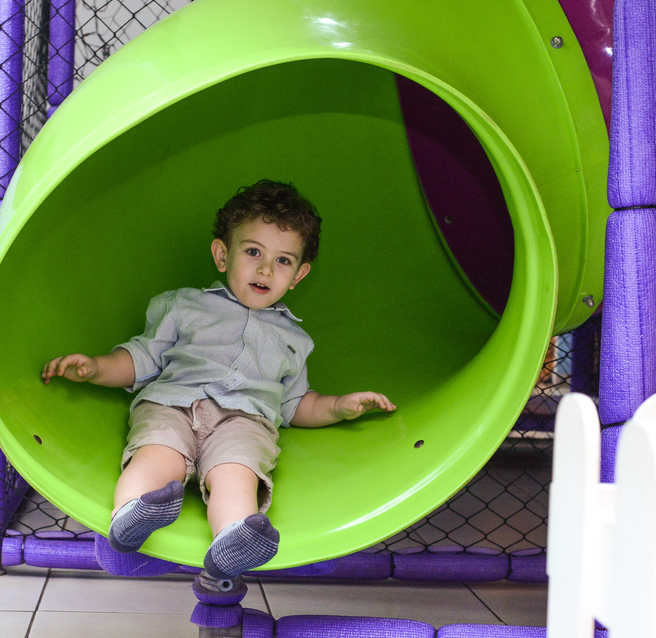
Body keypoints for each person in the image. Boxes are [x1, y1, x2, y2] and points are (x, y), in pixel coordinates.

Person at [42, 181, 396, 579]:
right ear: (222, 255)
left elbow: (296, 404)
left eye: (283, 261)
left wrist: (338, 407)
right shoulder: (185, 305)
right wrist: (96, 367)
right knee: (158, 454)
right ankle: (132, 514)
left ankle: (232, 538)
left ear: (299, 275)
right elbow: (142, 357)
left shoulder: (295, 340)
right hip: (174, 403)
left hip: (243, 423)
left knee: (236, 472)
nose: (265, 269)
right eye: (253, 252)